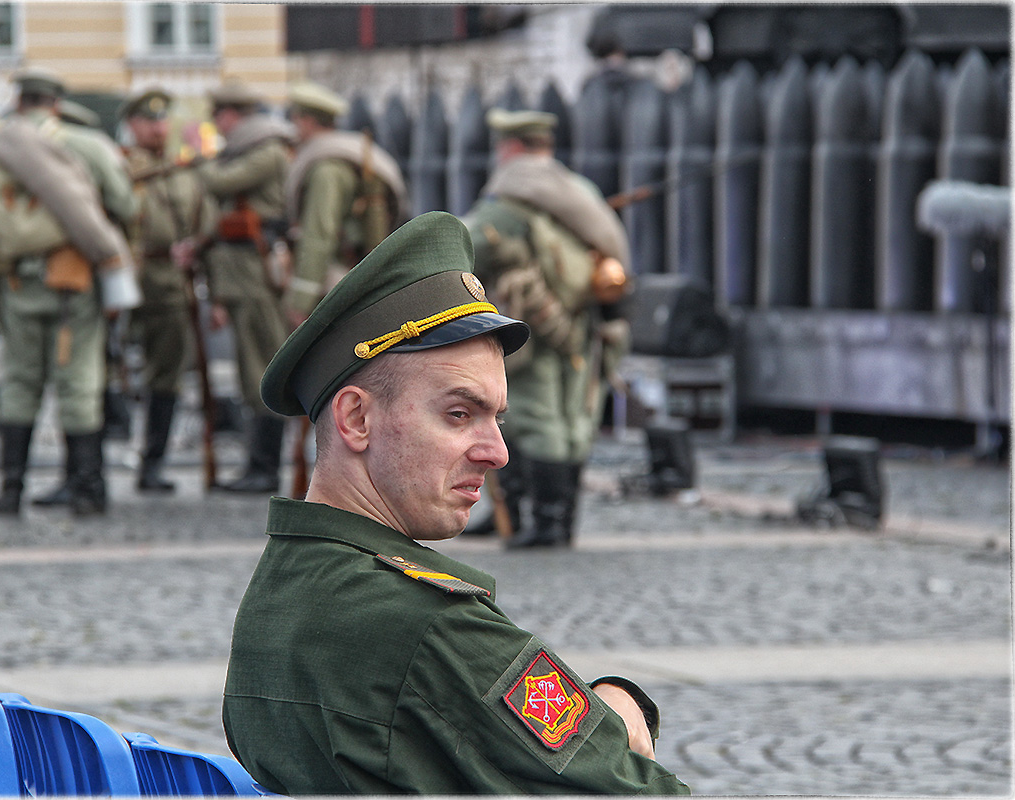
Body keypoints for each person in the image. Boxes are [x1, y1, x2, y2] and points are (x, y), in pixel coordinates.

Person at [222, 211, 688, 795]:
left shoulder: (278, 595)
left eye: (496, 417)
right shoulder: (428, 628)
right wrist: (625, 710)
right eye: (459, 414)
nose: (497, 453)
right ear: (357, 418)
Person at [463, 109, 630, 548]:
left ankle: (543, 523)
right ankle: (544, 517)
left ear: (511, 147)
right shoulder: (579, 191)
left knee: (535, 417)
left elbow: (467, 245)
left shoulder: (511, 196)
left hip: (533, 322)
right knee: (575, 415)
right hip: (582, 320)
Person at [0, 69, 138, 517]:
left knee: (20, 381)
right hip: (72, 282)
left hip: (15, 281)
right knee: (79, 384)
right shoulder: (85, 145)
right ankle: (86, 491)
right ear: (56, 103)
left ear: (20, 100)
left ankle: (10, 491)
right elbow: (125, 204)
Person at [185, 81, 293, 493]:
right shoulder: (255, 149)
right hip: (239, 273)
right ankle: (257, 463)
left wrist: (197, 155)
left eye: (220, 116)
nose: (218, 125)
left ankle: (264, 467)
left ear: (234, 115)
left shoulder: (266, 151)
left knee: (260, 366)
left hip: (255, 274)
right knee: (251, 366)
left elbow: (218, 183)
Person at [121, 87, 219, 493]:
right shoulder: (120, 166)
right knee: (108, 368)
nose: (158, 128)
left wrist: (194, 244)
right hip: (125, 277)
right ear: (133, 125)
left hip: (169, 281)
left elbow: (206, 216)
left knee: (167, 373)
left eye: (163, 120)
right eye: (149, 121)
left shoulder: (184, 172)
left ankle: (152, 462)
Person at [282, 80, 409, 329]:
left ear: (308, 121)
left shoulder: (326, 168)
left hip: (333, 281)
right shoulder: (347, 155)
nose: (294, 127)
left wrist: (301, 299)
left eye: (296, 119)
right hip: (351, 276)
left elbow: (319, 232)